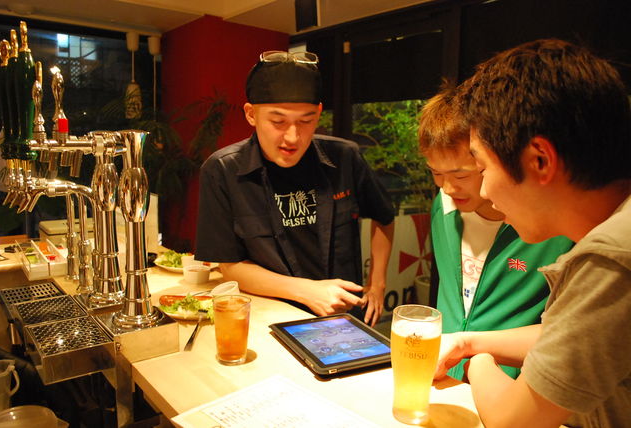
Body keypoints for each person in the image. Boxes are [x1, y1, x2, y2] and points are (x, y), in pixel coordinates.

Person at [434, 39, 631, 428]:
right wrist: (468, 341)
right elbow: (571, 337)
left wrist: (476, 363)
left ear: (540, 160)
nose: (485, 190)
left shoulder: (611, 257)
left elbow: (512, 421)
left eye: (482, 168)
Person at [195, 50, 395, 326]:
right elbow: (230, 267)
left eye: (306, 121)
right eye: (278, 122)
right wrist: (307, 291)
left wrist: (377, 284)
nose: (292, 137)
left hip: (344, 316)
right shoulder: (222, 170)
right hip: (271, 320)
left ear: (319, 113)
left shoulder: (345, 157)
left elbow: (384, 217)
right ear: (251, 114)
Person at [418, 86, 573, 380]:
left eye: (461, 174)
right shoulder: (444, 207)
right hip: (444, 377)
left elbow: (571, 333)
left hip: (513, 384)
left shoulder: (550, 226)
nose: (447, 188)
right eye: (436, 173)